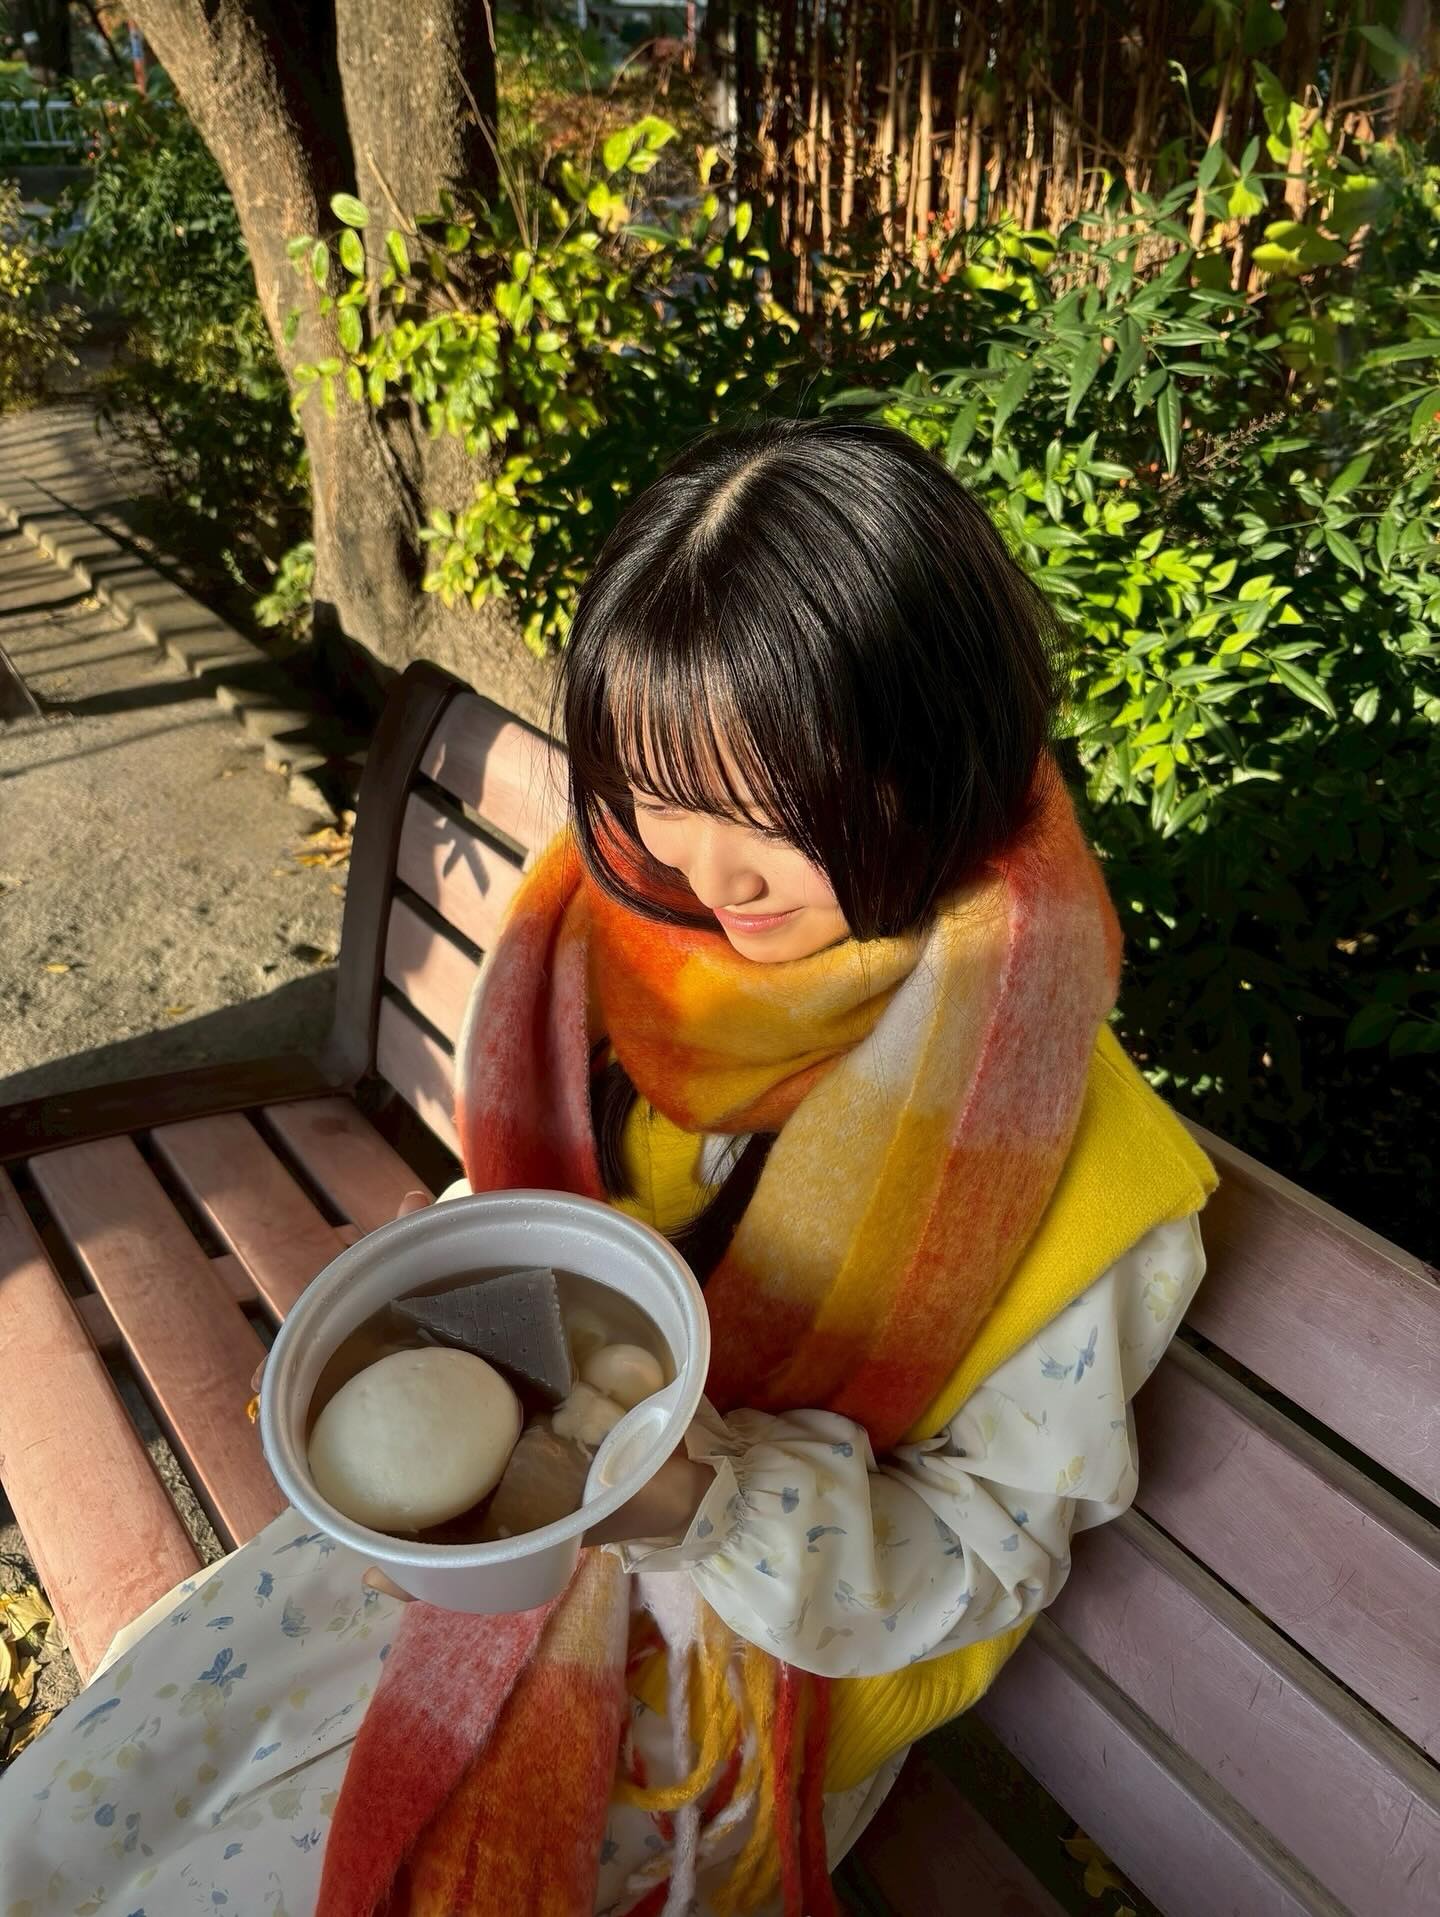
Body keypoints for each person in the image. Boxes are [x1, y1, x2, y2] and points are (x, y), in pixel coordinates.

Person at [0, 418, 1215, 1915]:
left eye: (779, 809)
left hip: (726, 1672)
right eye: (659, 792)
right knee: (64, 1827)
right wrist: (446, 1295)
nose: (709, 874)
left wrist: (713, 1501)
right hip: (472, 1534)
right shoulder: (634, 953)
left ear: (941, 750)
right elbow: (562, 1211)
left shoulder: (1082, 1173)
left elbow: (988, 1555)